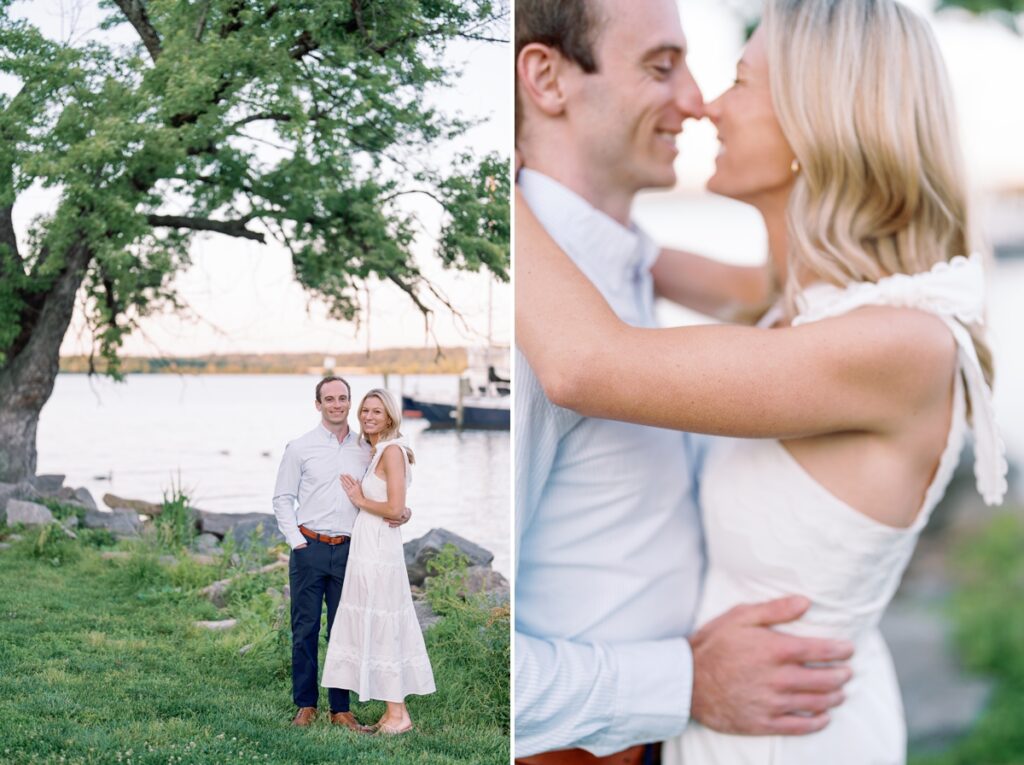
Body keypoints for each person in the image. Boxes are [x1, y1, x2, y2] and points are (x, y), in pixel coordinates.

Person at [515, 0, 1008, 762]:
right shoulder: (801, 306)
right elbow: (637, 257)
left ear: (818, 127)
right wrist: (568, 192)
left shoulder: (895, 346)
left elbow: (587, 363)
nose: (706, 103)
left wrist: (486, 187)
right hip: (738, 716)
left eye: (741, 82)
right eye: (665, 68)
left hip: (788, 733)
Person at [513, 1, 855, 762]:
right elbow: (477, 668)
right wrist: (683, 682)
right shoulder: (527, 315)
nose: (697, 100)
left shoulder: (626, 258)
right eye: (661, 67)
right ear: (546, 78)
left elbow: (770, 288)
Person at [272, 376, 411, 730]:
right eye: (329, 399)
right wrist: (296, 541)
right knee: (304, 629)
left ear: (349, 403)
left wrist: (405, 512)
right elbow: (282, 498)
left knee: (344, 629)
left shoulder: (367, 449)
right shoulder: (299, 448)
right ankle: (305, 704)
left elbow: (390, 492)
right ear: (318, 404)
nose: (337, 404)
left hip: (351, 551)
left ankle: (340, 709)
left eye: (343, 398)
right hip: (309, 547)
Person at [321, 388, 435, 735]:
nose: (369, 416)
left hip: (378, 548)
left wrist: (358, 498)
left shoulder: (393, 452)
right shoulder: (378, 451)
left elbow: (394, 508)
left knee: (383, 622)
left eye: (376, 411)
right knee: (376, 620)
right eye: (365, 411)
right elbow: (397, 506)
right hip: (369, 544)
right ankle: (390, 713)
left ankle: (399, 716)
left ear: (389, 417)